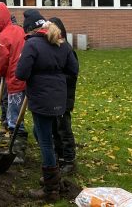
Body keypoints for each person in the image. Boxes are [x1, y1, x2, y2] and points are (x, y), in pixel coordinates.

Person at [15, 10, 78, 201]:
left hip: (41, 100)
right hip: (58, 99)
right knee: (42, 133)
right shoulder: (61, 43)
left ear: (30, 30)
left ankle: (51, 189)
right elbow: (73, 69)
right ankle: (55, 175)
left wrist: (37, 75)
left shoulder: (32, 44)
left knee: (45, 142)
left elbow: (21, 74)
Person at [0, 7, 30, 162]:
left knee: (14, 116)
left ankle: (17, 150)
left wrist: (0, 71)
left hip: (15, 79)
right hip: (28, 77)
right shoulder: (19, 29)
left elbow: (3, 61)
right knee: (22, 112)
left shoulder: (3, 36)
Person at [48, 16, 79, 174]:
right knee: (55, 128)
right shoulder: (53, 48)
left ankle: (69, 160)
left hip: (65, 95)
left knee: (64, 128)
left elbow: (73, 73)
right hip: (54, 95)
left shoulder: (67, 49)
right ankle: (59, 156)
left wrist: (56, 77)